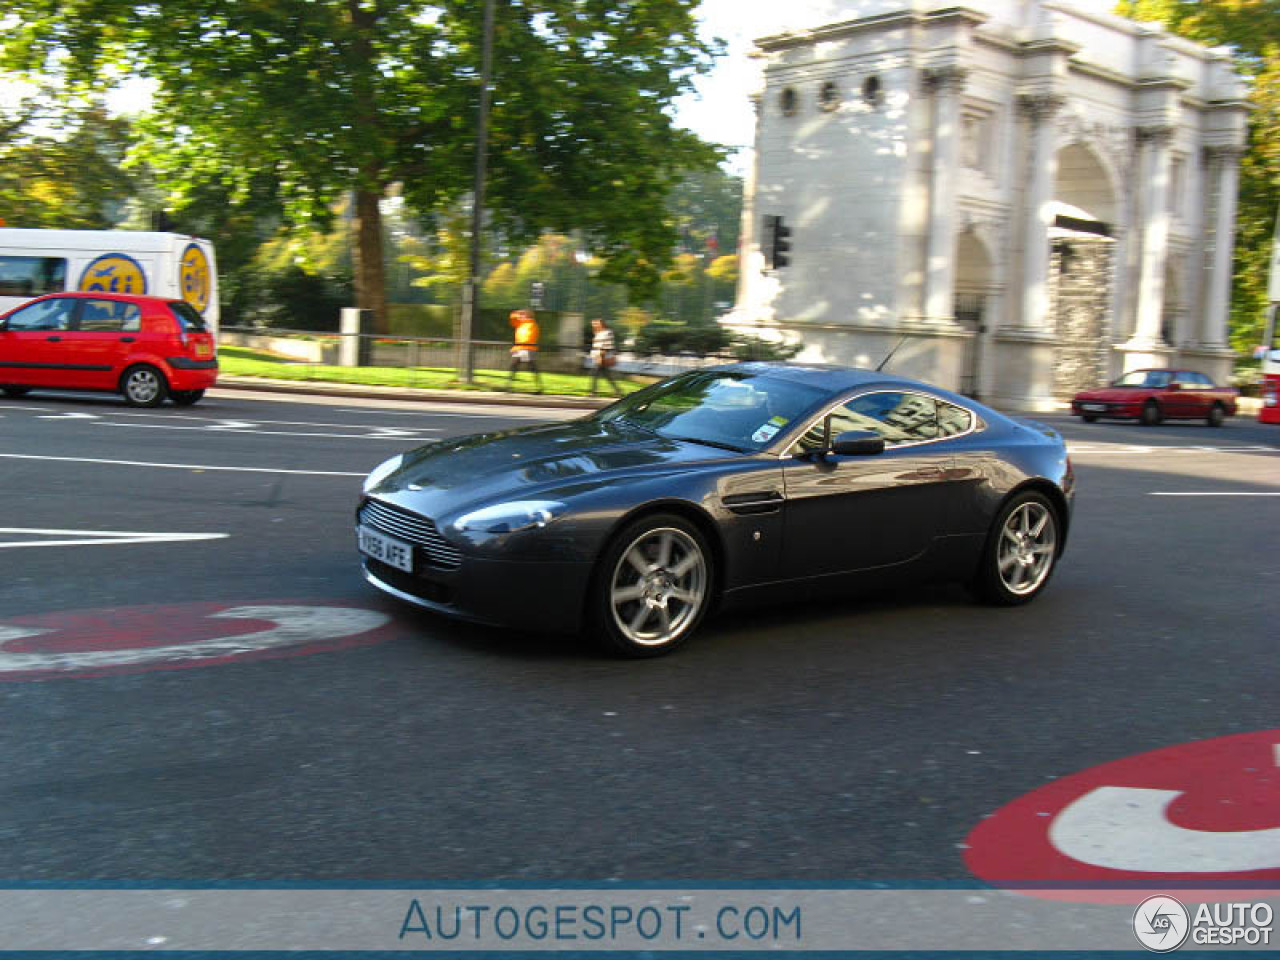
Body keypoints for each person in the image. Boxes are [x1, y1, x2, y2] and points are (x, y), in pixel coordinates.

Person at [508, 309, 543, 392]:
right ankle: (509, 387)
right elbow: (512, 318)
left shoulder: (532, 325)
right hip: (520, 348)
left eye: (522, 315)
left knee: (532, 368)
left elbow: (528, 338)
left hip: (527, 349)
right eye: (520, 315)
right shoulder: (521, 324)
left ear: (528, 316)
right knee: (514, 366)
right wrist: (517, 313)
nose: (520, 317)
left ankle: (539, 388)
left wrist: (518, 347)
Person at [589, 317, 622, 397]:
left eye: (595, 324)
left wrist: (601, 356)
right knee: (607, 376)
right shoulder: (598, 333)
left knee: (595, 374)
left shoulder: (607, 332)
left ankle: (593, 392)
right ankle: (618, 391)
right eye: (593, 324)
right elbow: (596, 345)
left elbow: (606, 345)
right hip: (598, 357)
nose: (594, 326)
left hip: (603, 357)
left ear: (601, 324)